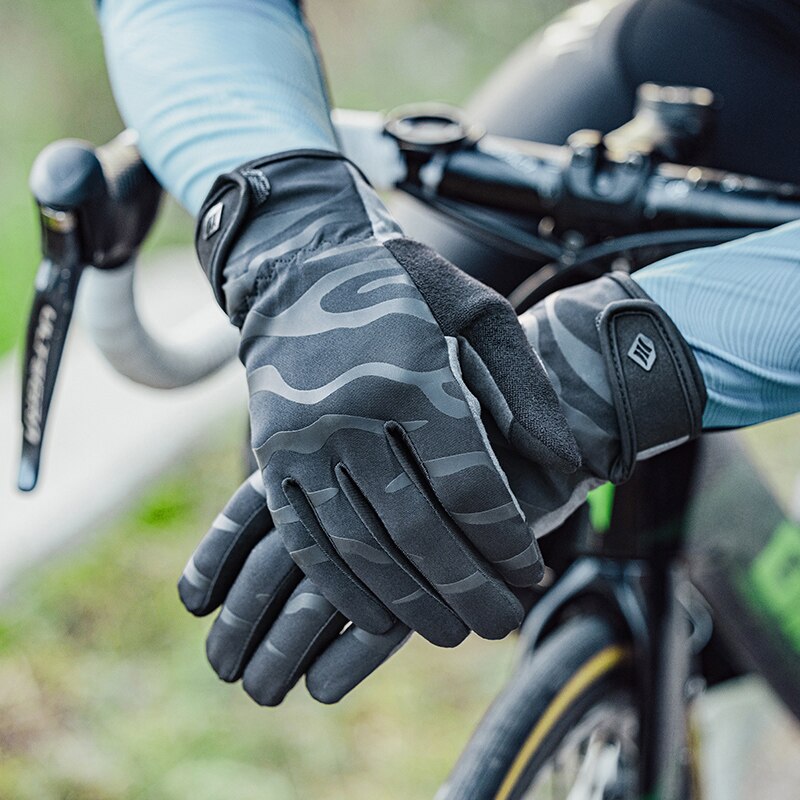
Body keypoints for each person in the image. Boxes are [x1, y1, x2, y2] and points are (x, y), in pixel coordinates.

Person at [97, 0, 800, 705]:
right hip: (725, 29)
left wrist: (609, 371)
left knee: (468, 446)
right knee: (341, 450)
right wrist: (291, 234)